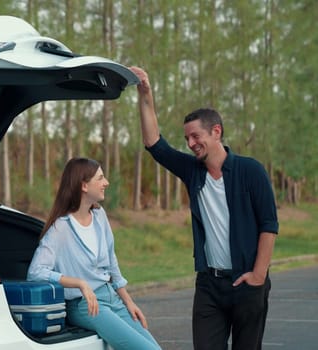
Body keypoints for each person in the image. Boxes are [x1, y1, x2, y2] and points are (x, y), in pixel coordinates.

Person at [129, 66, 278, 350]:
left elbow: (269, 226)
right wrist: (145, 94)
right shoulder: (193, 171)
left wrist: (258, 275)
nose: (191, 143)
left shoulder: (251, 171)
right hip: (209, 285)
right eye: (187, 138)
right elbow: (154, 143)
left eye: (196, 136)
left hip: (247, 282)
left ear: (216, 131)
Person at [27, 157, 160, 350]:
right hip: (85, 305)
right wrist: (79, 283)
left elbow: (111, 260)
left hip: (111, 298)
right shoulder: (60, 228)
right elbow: (36, 271)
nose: (106, 183)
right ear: (84, 186)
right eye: (100, 178)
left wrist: (128, 302)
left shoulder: (99, 216)